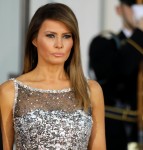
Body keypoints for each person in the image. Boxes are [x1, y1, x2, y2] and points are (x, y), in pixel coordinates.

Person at [0, 3, 106, 150]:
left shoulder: (91, 90)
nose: (59, 44)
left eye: (66, 36)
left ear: (73, 42)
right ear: (34, 39)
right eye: (51, 36)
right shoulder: (10, 91)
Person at [89, 0, 143, 150]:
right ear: (119, 10)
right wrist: (140, 33)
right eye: (134, 5)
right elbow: (119, 71)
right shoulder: (104, 42)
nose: (139, 10)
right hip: (117, 135)